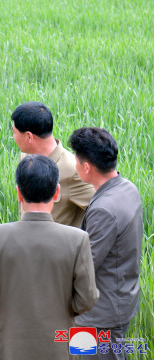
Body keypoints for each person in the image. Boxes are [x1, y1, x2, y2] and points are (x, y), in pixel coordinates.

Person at [0, 154, 99, 360]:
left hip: (11, 348)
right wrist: (63, 309)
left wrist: (11, 306)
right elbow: (87, 298)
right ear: (57, 192)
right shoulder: (77, 239)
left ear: (19, 193)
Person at [69, 127, 143, 360]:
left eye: (76, 160)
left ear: (87, 167)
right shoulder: (127, 188)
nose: (75, 164)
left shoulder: (104, 210)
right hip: (120, 296)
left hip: (100, 315)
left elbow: (85, 264)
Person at [11, 101, 95, 227]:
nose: (13, 137)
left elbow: (103, 209)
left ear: (29, 136)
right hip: (26, 243)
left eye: (14, 132)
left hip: (58, 246)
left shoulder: (72, 169)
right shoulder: (26, 158)